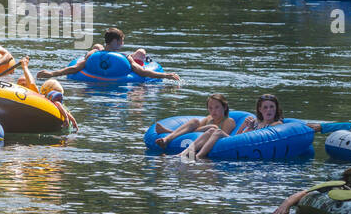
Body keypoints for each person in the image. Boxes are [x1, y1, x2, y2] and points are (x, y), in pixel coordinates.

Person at [36, 27, 180, 81]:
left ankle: (98, 46)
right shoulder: (125, 58)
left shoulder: (92, 57)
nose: (122, 44)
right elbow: (141, 72)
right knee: (141, 52)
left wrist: (51, 74)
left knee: (96, 48)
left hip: (96, 61)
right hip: (120, 72)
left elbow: (75, 69)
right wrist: (166, 75)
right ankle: (142, 55)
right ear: (117, 41)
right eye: (122, 41)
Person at [183, 93, 285, 160]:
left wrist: (252, 128)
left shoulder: (276, 124)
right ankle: (184, 154)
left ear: (276, 109)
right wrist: (246, 126)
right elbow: (238, 136)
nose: (269, 110)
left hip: (249, 146)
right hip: (238, 142)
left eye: (272, 107)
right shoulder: (257, 122)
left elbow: (266, 138)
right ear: (260, 109)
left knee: (217, 132)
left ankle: (199, 156)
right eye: (265, 107)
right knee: (210, 131)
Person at [152, 93, 237, 153]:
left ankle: (168, 131)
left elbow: (224, 139)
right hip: (199, 137)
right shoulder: (209, 118)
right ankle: (166, 139)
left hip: (210, 142)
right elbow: (195, 129)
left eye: (217, 107)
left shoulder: (228, 121)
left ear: (225, 107)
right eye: (210, 108)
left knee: (213, 128)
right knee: (195, 121)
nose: (213, 111)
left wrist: (210, 127)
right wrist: (207, 127)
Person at [14, 57, 79, 130]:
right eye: (18, 84)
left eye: (23, 84)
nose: (20, 86)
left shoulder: (37, 96)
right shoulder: (14, 93)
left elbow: (32, 84)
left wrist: (25, 66)